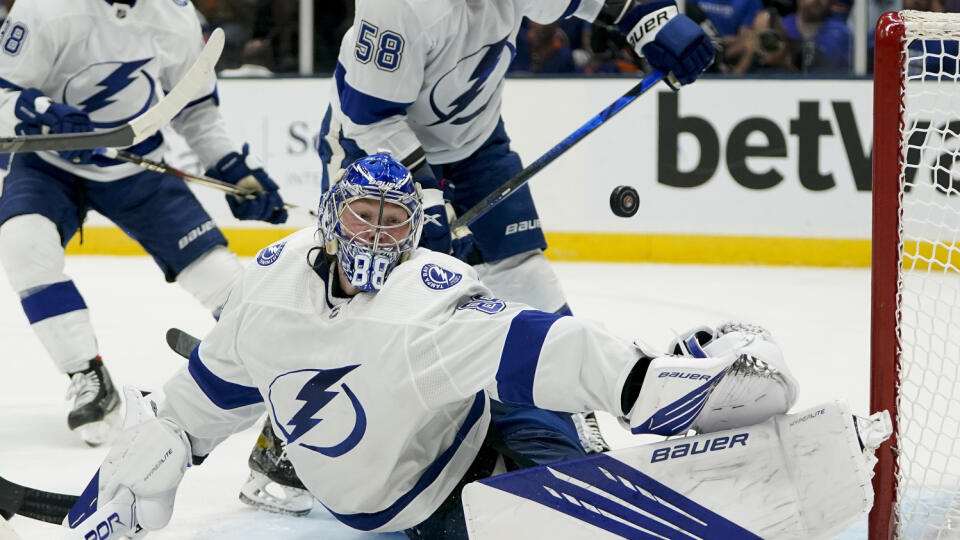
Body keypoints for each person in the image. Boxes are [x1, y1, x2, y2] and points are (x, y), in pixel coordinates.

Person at [82, 153, 798, 538]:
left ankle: (633, 443)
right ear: (332, 217)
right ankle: (628, 458)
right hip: (431, 503)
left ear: (414, 232)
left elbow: (549, 349)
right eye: (364, 215)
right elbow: (199, 400)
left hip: (452, 435)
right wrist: (161, 446)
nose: (376, 235)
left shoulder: (363, 292)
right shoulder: (288, 298)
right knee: (566, 500)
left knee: (540, 416)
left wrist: (655, 387)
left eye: (395, 223)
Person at [269, 0, 716, 514]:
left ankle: (566, 412)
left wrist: (648, 18)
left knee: (520, 267)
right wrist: (426, 199)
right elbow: (369, 119)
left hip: (476, 147)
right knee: (378, 299)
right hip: (377, 155)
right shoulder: (398, 8)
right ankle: (282, 440)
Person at [0, 0, 288, 445]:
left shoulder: (175, 16)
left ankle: (283, 369)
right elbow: (2, 91)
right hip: (47, 165)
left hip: (136, 167)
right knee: (23, 243)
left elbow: (195, 109)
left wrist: (231, 166)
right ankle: (87, 373)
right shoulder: (45, 8)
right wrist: (42, 116)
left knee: (219, 276)